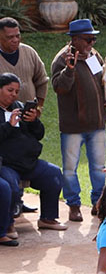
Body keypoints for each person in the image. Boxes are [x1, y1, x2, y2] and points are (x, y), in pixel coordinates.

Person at [50, 19, 106, 222]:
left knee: (98, 167)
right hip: (73, 127)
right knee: (70, 169)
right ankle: (74, 205)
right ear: (75, 39)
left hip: (97, 123)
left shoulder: (94, 55)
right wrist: (70, 69)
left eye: (93, 39)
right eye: (88, 39)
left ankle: (98, 202)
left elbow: (103, 80)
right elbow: (60, 87)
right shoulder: (62, 59)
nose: (92, 43)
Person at [0, 73, 67, 240]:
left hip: (28, 162)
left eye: (16, 91)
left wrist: (33, 121)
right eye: (10, 90)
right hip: (6, 164)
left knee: (53, 174)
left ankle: (47, 218)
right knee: (11, 187)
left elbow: (39, 134)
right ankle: (8, 224)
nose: (14, 94)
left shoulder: (19, 106)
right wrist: (9, 125)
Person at [0, 17, 49, 108]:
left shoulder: (29, 52)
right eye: (10, 37)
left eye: (17, 36)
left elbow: (42, 81)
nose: (15, 40)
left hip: (29, 112)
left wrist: (39, 107)